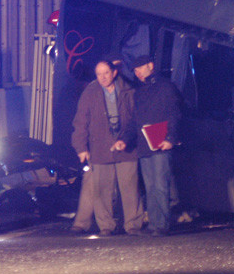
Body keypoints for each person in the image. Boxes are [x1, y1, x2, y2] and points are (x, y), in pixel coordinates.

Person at [71, 59, 144, 235]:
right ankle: (106, 226)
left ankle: (133, 225)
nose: (102, 77)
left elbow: (136, 118)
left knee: (130, 188)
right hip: (100, 148)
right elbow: (81, 121)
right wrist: (81, 147)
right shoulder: (91, 92)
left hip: (126, 148)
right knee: (101, 189)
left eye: (106, 73)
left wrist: (128, 139)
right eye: (99, 74)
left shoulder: (128, 90)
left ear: (114, 72)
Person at [132, 54, 183, 236]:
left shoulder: (165, 87)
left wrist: (170, 138)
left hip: (160, 142)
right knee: (151, 185)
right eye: (135, 70)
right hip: (145, 144)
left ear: (150, 66)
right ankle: (155, 223)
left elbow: (175, 113)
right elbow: (135, 120)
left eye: (140, 68)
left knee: (160, 184)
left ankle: (161, 224)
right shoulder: (139, 92)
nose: (137, 73)